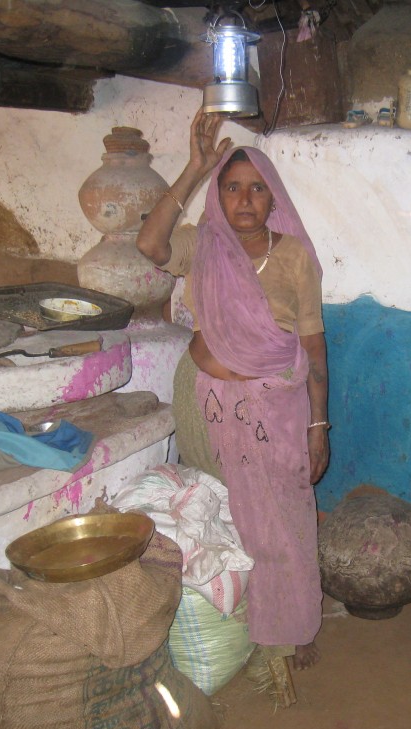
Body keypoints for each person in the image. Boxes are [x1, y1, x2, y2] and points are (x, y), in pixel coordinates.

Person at [136, 109, 329, 676]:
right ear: (218, 196)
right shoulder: (201, 245)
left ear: (274, 201)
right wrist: (195, 167)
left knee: (286, 519)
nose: (245, 200)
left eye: (258, 190)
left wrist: (320, 426)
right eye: (232, 188)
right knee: (223, 514)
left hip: (277, 409)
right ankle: (238, 624)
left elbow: (315, 349)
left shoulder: (293, 256)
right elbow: (149, 245)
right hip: (206, 404)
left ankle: (292, 627)